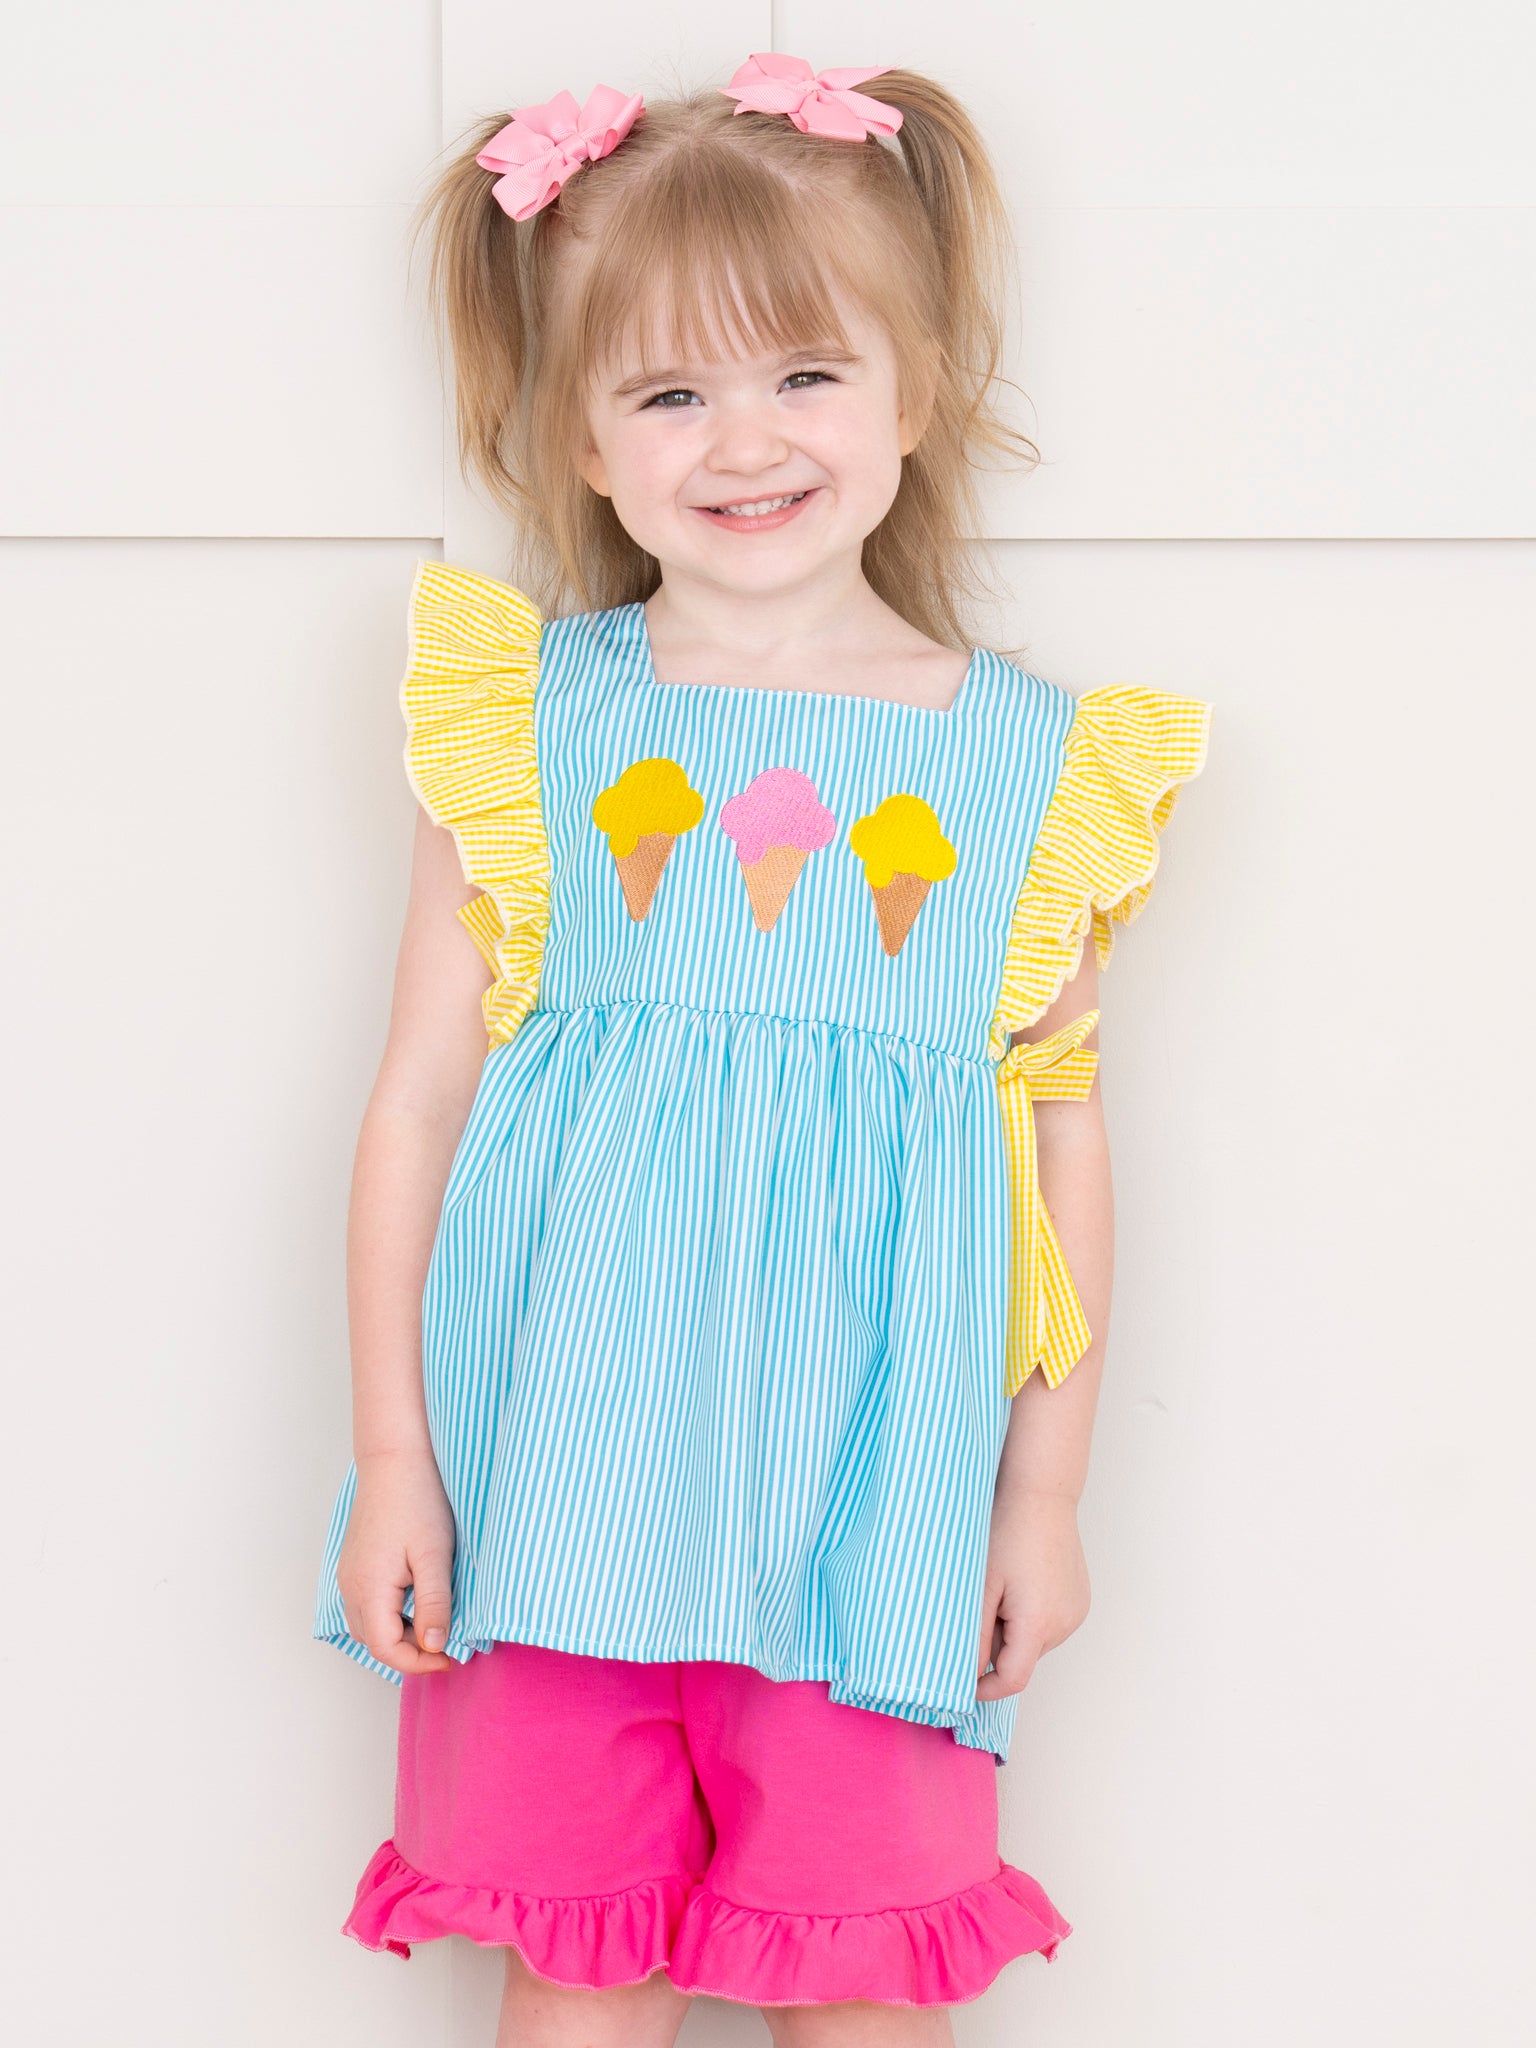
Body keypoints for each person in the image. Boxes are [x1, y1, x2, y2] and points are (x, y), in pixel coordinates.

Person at [312, 52, 1211, 2047]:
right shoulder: (531, 726)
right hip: (550, 1490)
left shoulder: (1034, 774)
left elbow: (1060, 1145)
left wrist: (1043, 1497)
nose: (744, 441)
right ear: (580, 434)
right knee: (575, 1969)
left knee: (866, 1974)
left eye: (806, 373)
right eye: (668, 393)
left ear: (916, 387)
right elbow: (421, 1103)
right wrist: (393, 1461)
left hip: (876, 1507)